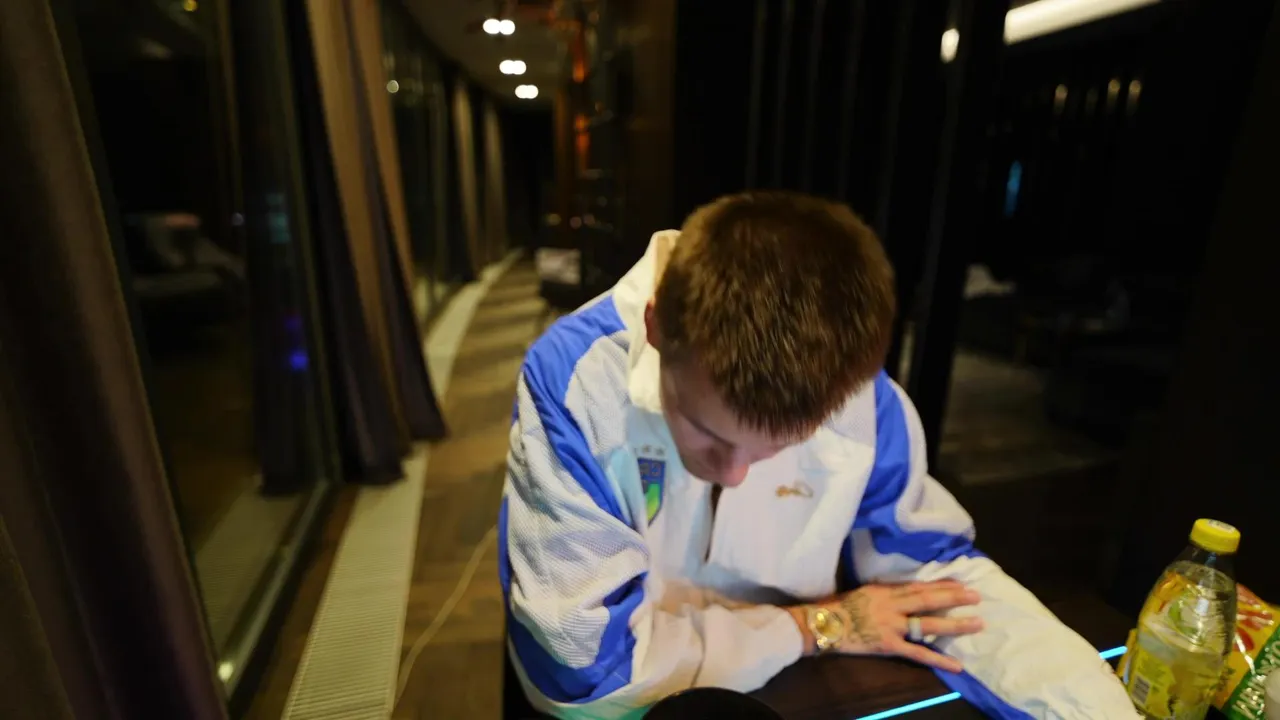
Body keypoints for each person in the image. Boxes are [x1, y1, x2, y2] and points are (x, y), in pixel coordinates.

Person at [499, 192, 1136, 718]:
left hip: (792, 688)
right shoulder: (575, 385)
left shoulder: (866, 401)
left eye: (775, 449)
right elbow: (583, 675)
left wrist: (1101, 710)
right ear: (657, 325)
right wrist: (817, 626)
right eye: (704, 431)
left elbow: (938, 582)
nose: (734, 473)